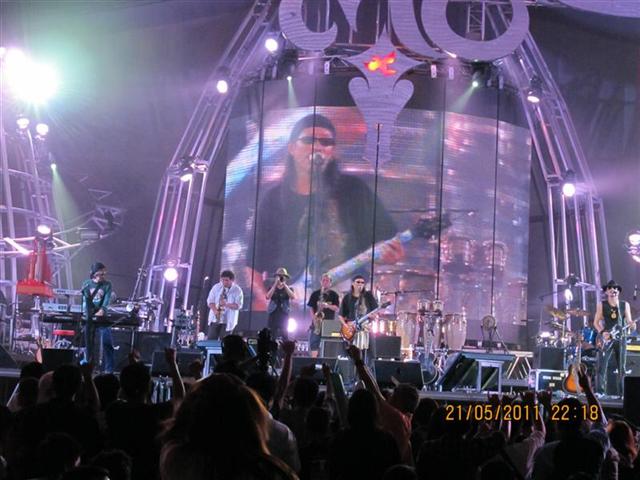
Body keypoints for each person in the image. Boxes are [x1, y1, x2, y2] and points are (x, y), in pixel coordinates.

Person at [247, 113, 403, 310]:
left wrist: (387, 255)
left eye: (326, 142)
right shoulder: (273, 198)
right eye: (309, 140)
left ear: (333, 151)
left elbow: (388, 241)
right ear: (292, 148)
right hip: (290, 303)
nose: (318, 147)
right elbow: (252, 264)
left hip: (344, 302)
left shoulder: (354, 190)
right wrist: (266, 302)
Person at [594, 279, 635, 395]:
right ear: (606, 291)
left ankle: (622, 393)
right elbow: (596, 322)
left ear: (618, 292)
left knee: (621, 367)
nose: (613, 290)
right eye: (610, 288)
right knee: (602, 366)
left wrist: (632, 325)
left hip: (621, 338)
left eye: (616, 288)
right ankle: (600, 392)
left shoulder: (624, 305)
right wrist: (603, 332)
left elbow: (630, 322)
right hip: (607, 338)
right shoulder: (601, 305)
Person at [82, 262, 114, 372]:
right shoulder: (86, 284)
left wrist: (102, 310)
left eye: (104, 274)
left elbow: (106, 300)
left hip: (102, 317)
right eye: (101, 274)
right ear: (94, 274)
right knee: (89, 344)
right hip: (89, 316)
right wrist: (89, 312)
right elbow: (85, 300)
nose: (103, 276)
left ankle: (109, 370)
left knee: (107, 342)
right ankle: (89, 368)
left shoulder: (107, 285)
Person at [339, 275, 378, 355]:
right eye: (358, 282)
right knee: (353, 353)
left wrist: (373, 316)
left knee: (371, 352)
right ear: (353, 283)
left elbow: (375, 311)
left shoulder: (368, 296)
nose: (360, 284)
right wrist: (346, 325)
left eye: (362, 282)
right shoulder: (347, 297)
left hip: (366, 327)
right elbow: (340, 315)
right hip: (352, 328)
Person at [307, 273, 340, 357]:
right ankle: (314, 360)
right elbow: (310, 307)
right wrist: (314, 319)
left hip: (329, 323)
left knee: (329, 343)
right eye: (323, 280)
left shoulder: (334, 295)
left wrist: (327, 306)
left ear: (330, 282)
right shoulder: (315, 294)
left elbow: (337, 308)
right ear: (320, 282)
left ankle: (327, 361)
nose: (325, 282)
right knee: (314, 342)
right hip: (316, 322)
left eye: (327, 280)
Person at [206, 270, 244, 340]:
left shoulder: (237, 290)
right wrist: (215, 311)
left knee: (225, 342)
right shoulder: (216, 287)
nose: (224, 282)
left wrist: (226, 304)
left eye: (226, 280)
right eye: (222, 280)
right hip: (215, 319)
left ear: (232, 280)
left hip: (228, 320)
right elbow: (210, 301)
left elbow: (238, 306)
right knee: (210, 340)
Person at [266, 267, 296, 340]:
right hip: (273, 314)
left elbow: (292, 297)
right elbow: (267, 296)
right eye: (279, 276)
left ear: (286, 278)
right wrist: (275, 284)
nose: (281, 277)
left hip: (284, 314)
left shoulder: (289, 288)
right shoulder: (272, 288)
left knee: (285, 334)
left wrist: (284, 285)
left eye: (283, 276)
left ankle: (284, 347)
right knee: (272, 335)